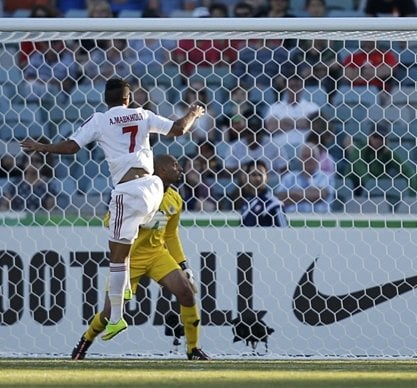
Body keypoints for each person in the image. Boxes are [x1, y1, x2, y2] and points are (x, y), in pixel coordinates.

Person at [20, 78, 205, 341]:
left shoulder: (100, 120)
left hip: (126, 192)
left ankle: (117, 315)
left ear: (106, 101)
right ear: (129, 99)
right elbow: (178, 129)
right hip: (153, 189)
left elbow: (72, 147)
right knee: (135, 239)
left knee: (117, 261)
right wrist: (193, 113)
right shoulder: (142, 115)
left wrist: (43, 147)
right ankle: (144, 235)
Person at [71, 154, 210, 361]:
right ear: (161, 170)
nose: (179, 168)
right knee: (110, 313)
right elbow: (109, 222)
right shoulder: (135, 194)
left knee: (186, 292)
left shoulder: (175, 199)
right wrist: (137, 220)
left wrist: (184, 266)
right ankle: (85, 340)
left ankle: (193, 349)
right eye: (174, 165)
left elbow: (171, 235)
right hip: (128, 259)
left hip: (156, 255)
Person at [343, 123, 417, 200]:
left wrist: (411, 198)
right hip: (355, 187)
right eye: (375, 136)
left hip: (376, 190)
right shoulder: (360, 148)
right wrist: (373, 187)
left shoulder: (388, 153)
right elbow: (360, 170)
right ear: (369, 137)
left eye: (381, 137)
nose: (378, 140)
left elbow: (409, 173)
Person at [276, 142, 335, 213]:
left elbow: (320, 195)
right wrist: (309, 194)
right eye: (305, 156)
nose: (309, 159)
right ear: (300, 159)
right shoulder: (289, 177)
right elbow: (280, 198)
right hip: (293, 218)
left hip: (320, 219)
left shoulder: (326, 177)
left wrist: (292, 194)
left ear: (318, 159)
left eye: (312, 156)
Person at [239, 160, 288, 227]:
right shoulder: (247, 203)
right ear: (247, 177)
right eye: (253, 174)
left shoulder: (274, 204)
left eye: (260, 174)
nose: (258, 178)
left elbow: (284, 231)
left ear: (267, 177)